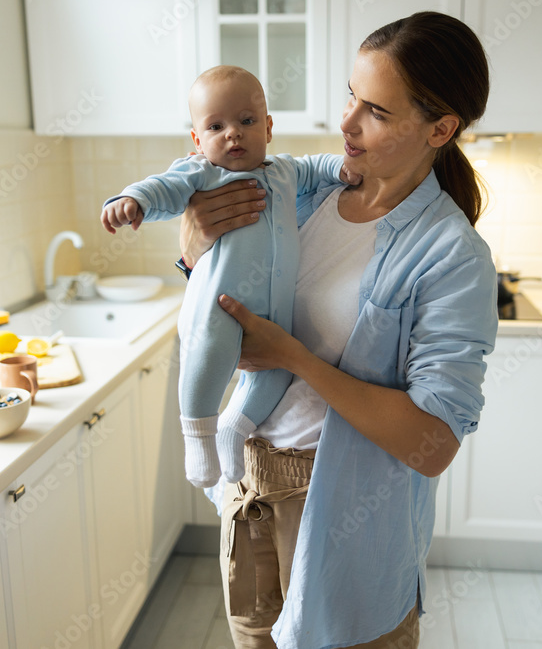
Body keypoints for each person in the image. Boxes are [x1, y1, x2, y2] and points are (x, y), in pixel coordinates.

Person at [178, 11, 498, 649]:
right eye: (351, 96)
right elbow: (219, 279)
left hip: (345, 511)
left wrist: (295, 358)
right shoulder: (300, 194)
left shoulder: (451, 255)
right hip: (247, 488)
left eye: (376, 111)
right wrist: (192, 247)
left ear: (441, 127)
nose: (347, 123)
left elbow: (432, 445)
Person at [100, 66, 356, 488]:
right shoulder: (203, 174)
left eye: (247, 121)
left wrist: (342, 170)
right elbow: (162, 188)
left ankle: (233, 428)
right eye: (216, 126)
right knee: (209, 359)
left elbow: (318, 166)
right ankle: (198, 435)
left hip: (276, 316)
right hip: (218, 306)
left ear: (269, 128)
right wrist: (133, 200)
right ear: (198, 141)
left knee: (275, 374)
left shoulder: (285, 171)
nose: (233, 134)